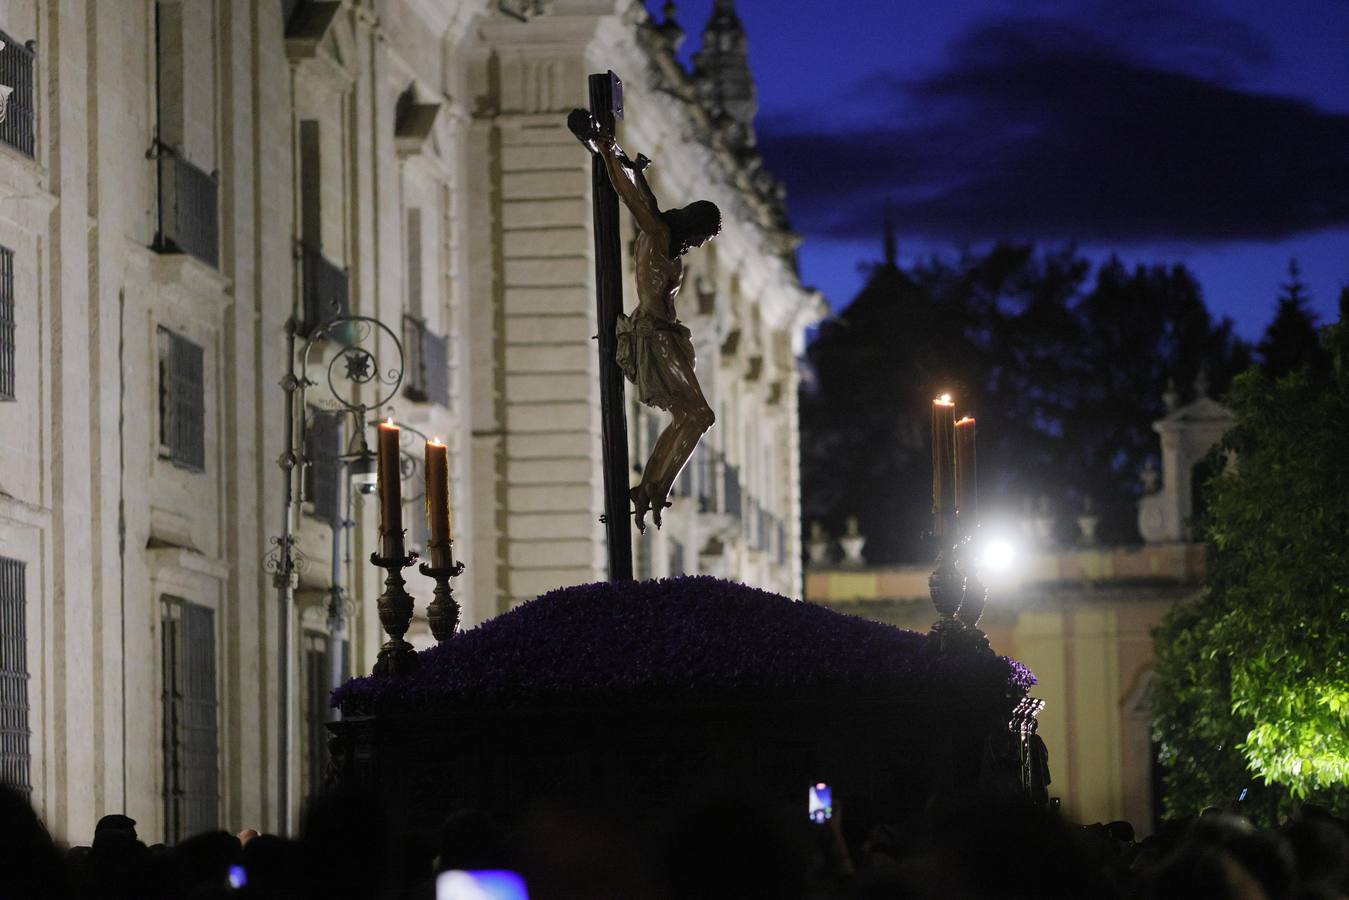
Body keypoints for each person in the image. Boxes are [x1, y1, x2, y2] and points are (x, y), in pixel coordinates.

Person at [569, 108, 722, 531]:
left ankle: (653, 485)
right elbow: (634, 199)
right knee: (699, 416)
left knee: (691, 417)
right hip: (654, 335)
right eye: (704, 234)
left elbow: (643, 194)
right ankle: (654, 486)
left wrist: (631, 166)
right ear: (693, 223)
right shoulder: (658, 237)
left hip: (662, 334)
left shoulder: (663, 237)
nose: (700, 243)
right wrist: (607, 147)